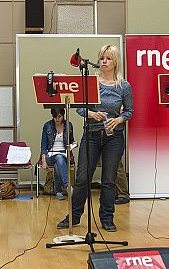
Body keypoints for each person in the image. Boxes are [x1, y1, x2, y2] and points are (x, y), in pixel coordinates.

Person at [57, 45, 133, 232]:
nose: (104, 61)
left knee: (109, 179)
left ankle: (107, 218)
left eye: (108, 58)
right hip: (91, 135)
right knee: (83, 178)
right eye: (101, 58)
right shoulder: (91, 82)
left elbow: (130, 111)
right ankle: (74, 216)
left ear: (116, 62)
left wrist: (119, 119)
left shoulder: (124, 86)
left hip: (114, 137)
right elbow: (80, 108)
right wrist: (92, 114)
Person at [39, 106, 75, 200]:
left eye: (59, 116)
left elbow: (72, 141)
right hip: (49, 155)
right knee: (58, 157)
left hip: (64, 155)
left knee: (57, 164)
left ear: (63, 115)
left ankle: (58, 191)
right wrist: (43, 161)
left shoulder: (68, 125)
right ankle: (68, 187)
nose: (57, 119)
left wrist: (73, 145)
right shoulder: (47, 125)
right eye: (55, 117)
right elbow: (43, 144)